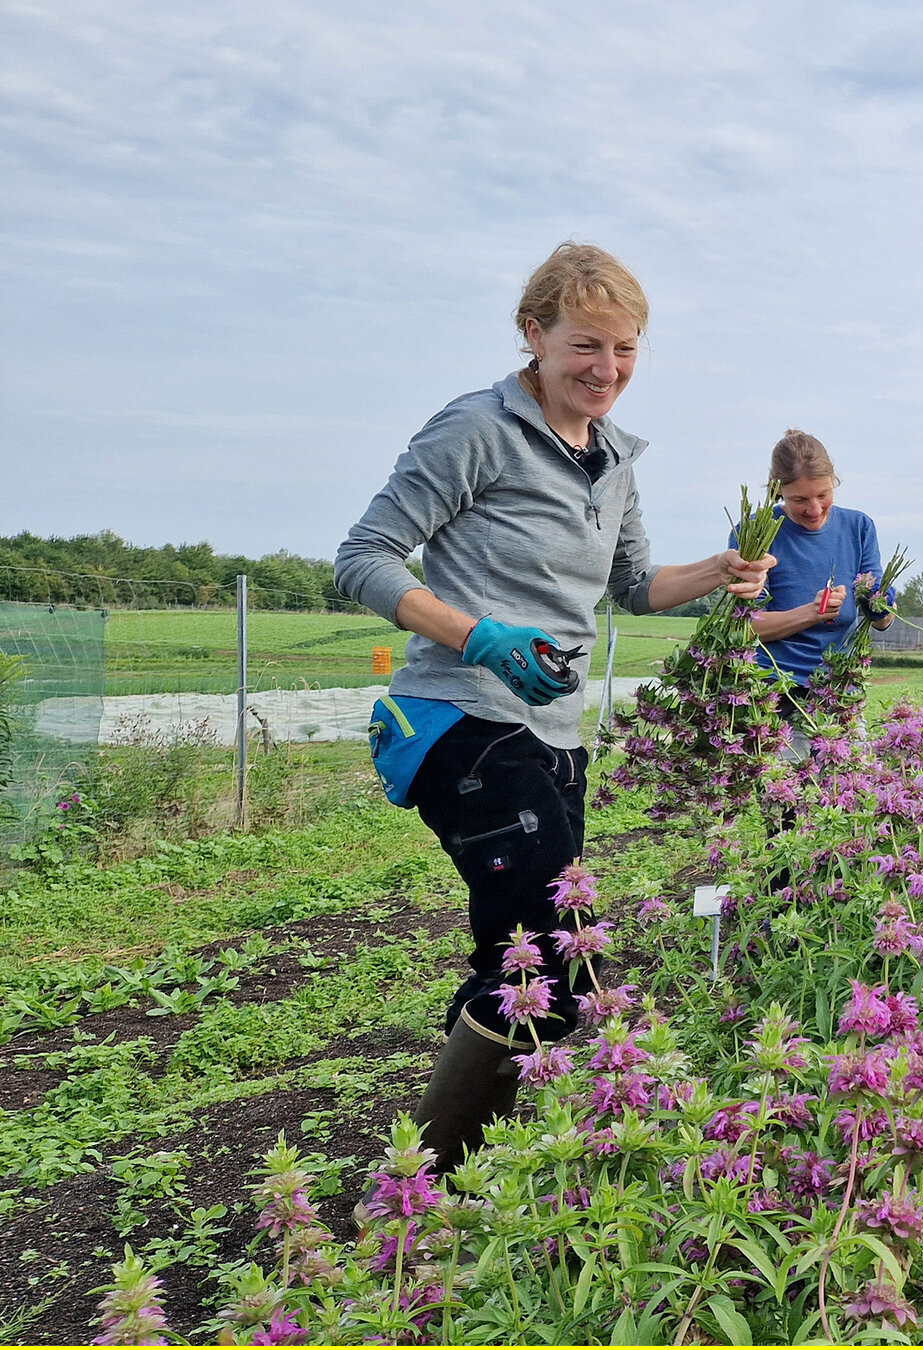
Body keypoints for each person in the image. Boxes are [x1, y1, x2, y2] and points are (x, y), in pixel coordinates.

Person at [334, 242, 772, 1175]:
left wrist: (723, 572)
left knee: (518, 950)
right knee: (554, 958)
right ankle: (428, 1189)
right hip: (463, 718)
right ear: (533, 336)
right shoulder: (476, 430)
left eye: (626, 350)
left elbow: (638, 585)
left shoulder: (613, 458)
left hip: (553, 732)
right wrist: (479, 635)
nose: (606, 370)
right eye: (586, 344)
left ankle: (467, 1172)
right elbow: (362, 558)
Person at [741, 430, 893, 704]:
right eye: (799, 500)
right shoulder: (757, 531)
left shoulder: (858, 527)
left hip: (840, 688)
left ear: (834, 482)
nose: (814, 509)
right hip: (773, 690)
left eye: (823, 494)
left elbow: (882, 622)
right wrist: (812, 613)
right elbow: (749, 626)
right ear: (777, 489)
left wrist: (880, 606)